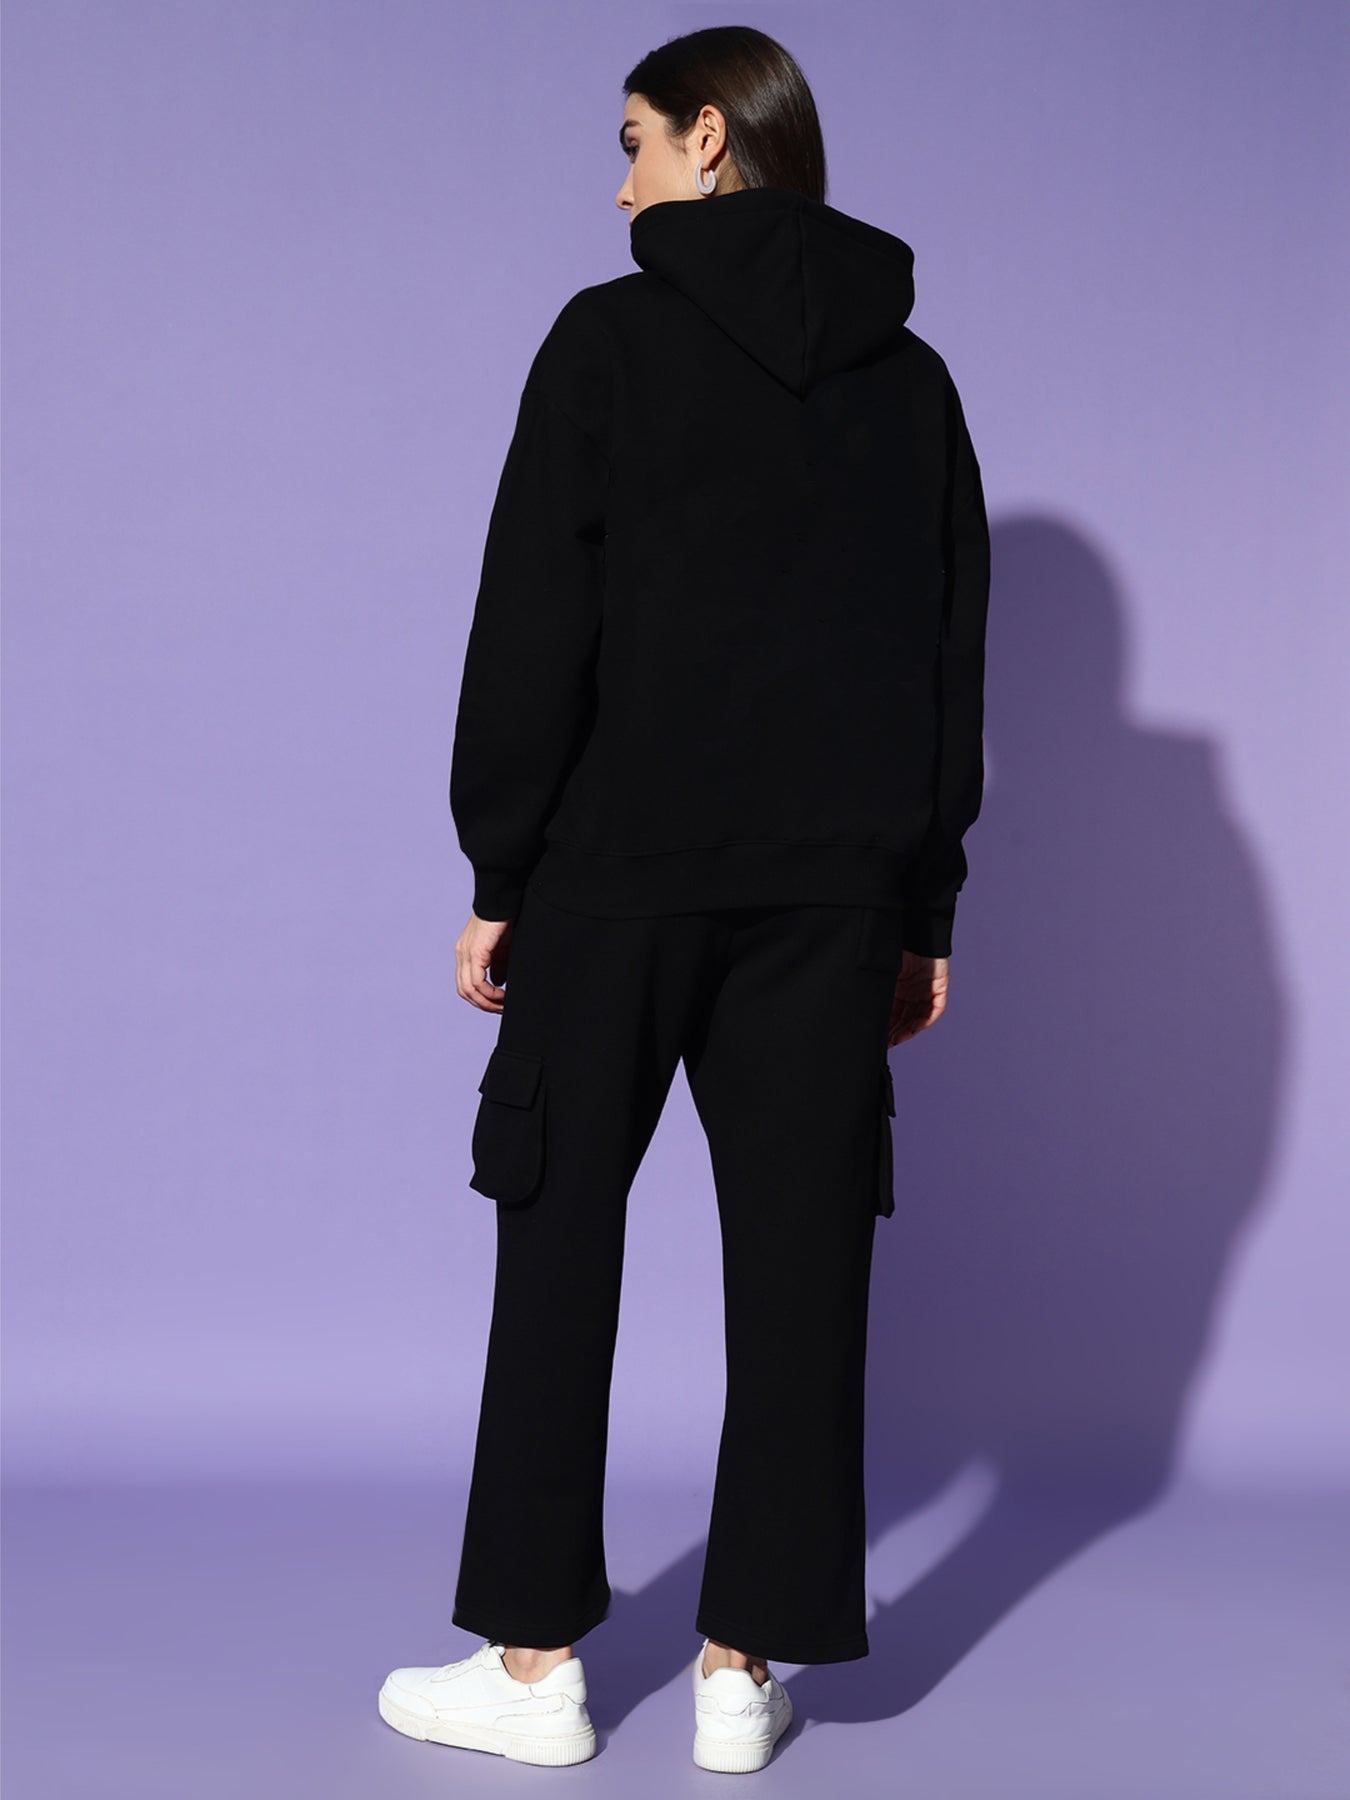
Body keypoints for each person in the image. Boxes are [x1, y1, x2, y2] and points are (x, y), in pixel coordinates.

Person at [378, 23, 990, 1774]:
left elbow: (533, 621)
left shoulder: (608, 340)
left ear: (711, 139)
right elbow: (944, 658)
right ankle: (740, 1670)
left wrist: (500, 867)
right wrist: (920, 907)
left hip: (614, 882)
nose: (621, 178)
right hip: (830, 899)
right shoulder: (912, 380)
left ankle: (531, 1670)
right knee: (802, 1266)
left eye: (635, 140)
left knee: (558, 1240)